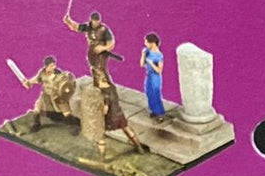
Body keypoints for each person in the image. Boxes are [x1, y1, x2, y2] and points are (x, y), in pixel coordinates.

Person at [64, 9, 146, 154]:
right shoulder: (88, 26)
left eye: (97, 22)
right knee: (95, 70)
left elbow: (111, 43)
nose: (95, 23)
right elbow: (76, 27)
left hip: (101, 57)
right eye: (94, 21)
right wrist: (68, 21)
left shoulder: (104, 30)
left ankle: (135, 146)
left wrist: (103, 47)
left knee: (99, 70)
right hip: (92, 56)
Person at [22, 55, 77, 130]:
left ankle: (72, 126)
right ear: (46, 66)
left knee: (66, 111)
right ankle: (36, 124)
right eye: (52, 65)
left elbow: (65, 82)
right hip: (46, 95)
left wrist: (69, 79)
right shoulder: (42, 72)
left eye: (54, 65)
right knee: (37, 108)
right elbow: (37, 79)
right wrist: (29, 82)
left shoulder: (58, 74)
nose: (54, 67)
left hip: (56, 95)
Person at [141, 33, 165, 121]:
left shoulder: (159, 55)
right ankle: (154, 110)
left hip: (155, 77)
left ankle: (160, 113)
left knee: (156, 94)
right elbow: (141, 64)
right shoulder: (147, 51)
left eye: (147, 42)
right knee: (149, 93)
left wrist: (151, 63)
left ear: (152, 43)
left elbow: (159, 70)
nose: (145, 44)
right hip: (149, 76)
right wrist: (143, 54)